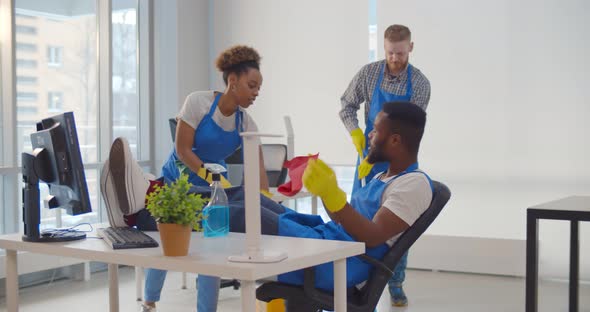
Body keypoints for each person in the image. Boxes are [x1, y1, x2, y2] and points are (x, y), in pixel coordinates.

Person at [107, 101, 432, 311]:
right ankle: (152, 191)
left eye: (376, 130)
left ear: (395, 141)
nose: (369, 135)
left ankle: (142, 211)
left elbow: (373, 237)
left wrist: (333, 196)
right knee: (247, 198)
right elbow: (350, 224)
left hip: (341, 261)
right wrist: (332, 199)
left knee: (240, 215)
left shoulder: (413, 184)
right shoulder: (383, 177)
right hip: (330, 240)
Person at [138, 45, 269, 312]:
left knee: (211, 251)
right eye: (252, 85)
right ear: (233, 82)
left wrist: (264, 196)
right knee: (169, 245)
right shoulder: (198, 102)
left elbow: (258, 165)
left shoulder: (246, 123)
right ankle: (149, 301)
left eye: (259, 88)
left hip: (211, 189)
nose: (256, 93)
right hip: (177, 183)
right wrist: (212, 178)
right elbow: (183, 150)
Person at [339, 24, 431, 306]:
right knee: (360, 215)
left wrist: (385, 156)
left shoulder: (420, 84)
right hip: (368, 154)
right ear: (384, 47)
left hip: (398, 159)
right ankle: (357, 276)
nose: (394, 58)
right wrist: (356, 134)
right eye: (390, 52)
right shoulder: (369, 74)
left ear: (411, 48)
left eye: (400, 53)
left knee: (396, 224)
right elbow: (347, 105)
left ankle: (395, 281)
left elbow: (409, 129)